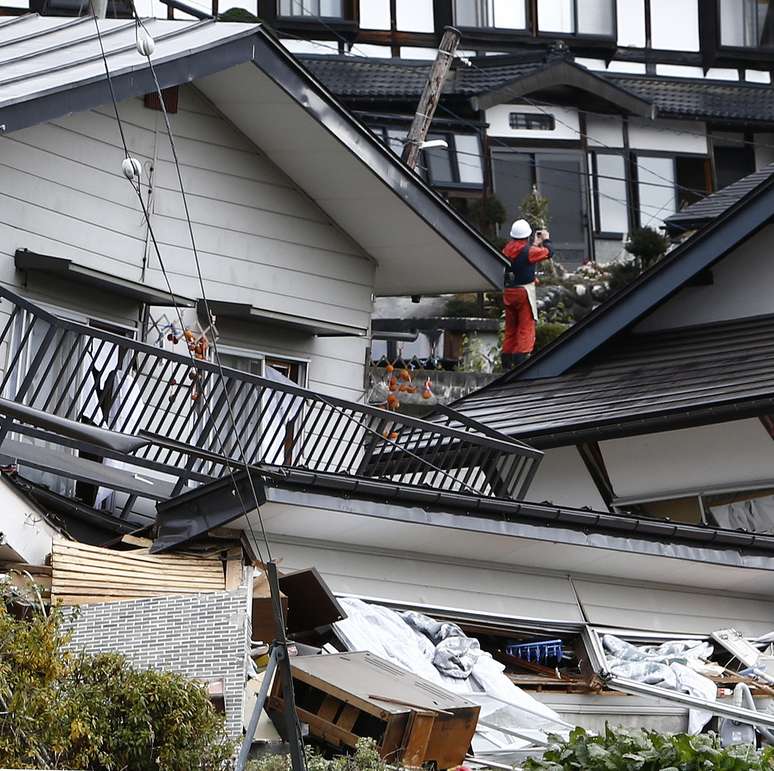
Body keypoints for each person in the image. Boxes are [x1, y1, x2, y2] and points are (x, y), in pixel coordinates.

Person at [501, 218, 554, 370]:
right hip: (524, 292)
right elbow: (549, 253)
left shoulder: (507, 249)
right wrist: (546, 240)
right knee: (526, 326)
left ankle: (507, 361)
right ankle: (521, 362)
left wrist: (535, 244)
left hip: (509, 292)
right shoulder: (529, 251)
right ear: (527, 235)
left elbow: (523, 257)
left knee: (511, 328)